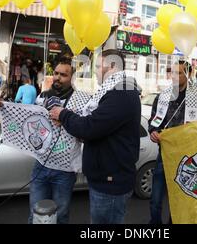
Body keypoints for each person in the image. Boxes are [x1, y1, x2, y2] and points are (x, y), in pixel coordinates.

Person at [0, 57, 91, 224]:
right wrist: (4, 107)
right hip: (41, 166)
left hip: (65, 170)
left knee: (60, 216)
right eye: (56, 73)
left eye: (63, 75)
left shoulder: (83, 100)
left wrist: (66, 120)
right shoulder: (43, 96)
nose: (58, 77)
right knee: (36, 214)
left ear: (72, 78)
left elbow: (85, 133)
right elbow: (26, 118)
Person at [50, 49, 141, 224]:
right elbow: (98, 126)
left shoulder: (121, 93)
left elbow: (90, 127)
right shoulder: (115, 90)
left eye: (99, 66)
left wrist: (64, 115)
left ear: (113, 66)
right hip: (106, 178)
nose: (95, 71)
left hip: (110, 182)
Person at [147, 60, 197, 224]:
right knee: (155, 199)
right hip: (165, 155)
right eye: (173, 73)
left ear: (188, 74)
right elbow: (154, 121)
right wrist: (153, 132)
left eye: (180, 73)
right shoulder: (163, 97)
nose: (175, 77)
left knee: (179, 200)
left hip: (188, 159)